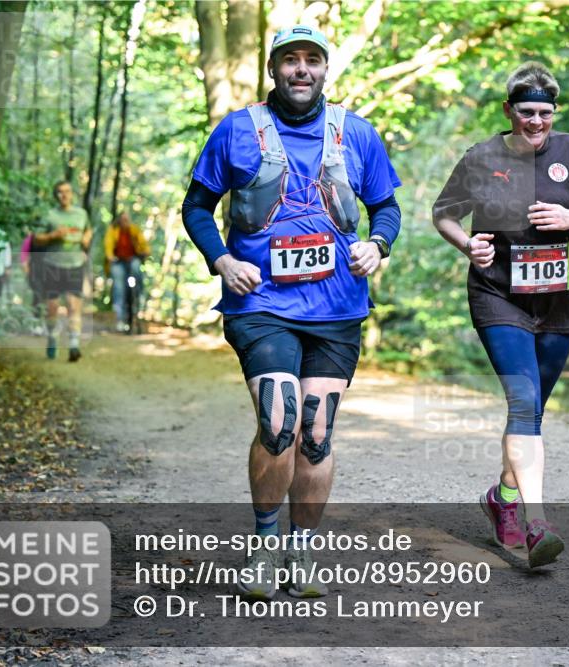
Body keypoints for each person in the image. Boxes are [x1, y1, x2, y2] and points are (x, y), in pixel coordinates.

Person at [181, 25, 401, 598]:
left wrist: (377, 245)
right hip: (260, 303)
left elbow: (388, 207)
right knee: (278, 421)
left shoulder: (356, 133)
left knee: (317, 432)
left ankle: (300, 554)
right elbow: (198, 207)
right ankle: (261, 546)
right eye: (289, 60)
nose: (300, 70)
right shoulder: (237, 130)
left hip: (336, 308)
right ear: (273, 69)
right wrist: (222, 260)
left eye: (311, 60)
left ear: (325, 70)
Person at [432, 62, 569, 568]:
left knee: (530, 411)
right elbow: (443, 213)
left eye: (546, 114)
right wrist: (469, 245)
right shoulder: (481, 157)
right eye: (527, 112)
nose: (536, 122)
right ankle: (536, 523)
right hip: (499, 297)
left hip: (559, 302)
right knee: (524, 401)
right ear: (509, 110)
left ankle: (503, 497)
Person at [33, 180, 92, 362]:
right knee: (52, 308)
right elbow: (36, 239)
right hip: (53, 265)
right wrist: (52, 236)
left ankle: (74, 345)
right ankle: (52, 337)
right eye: (60, 192)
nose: (64, 195)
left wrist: (86, 239)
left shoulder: (81, 214)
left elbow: (88, 230)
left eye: (67, 191)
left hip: (75, 265)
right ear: (56, 195)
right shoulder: (50, 215)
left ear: (72, 194)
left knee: (74, 306)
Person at [104, 212, 150, 333]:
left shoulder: (134, 230)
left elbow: (143, 243)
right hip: (118, 261)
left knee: (137, 270)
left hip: (132, 260)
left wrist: (145, 252)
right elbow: (108, 245)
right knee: (119, 287)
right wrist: (110, 256)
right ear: (119, 220)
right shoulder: (113, 230)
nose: (125, 221)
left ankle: (139, 299)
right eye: (123, 219)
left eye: (127, 219)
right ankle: (120, 318)